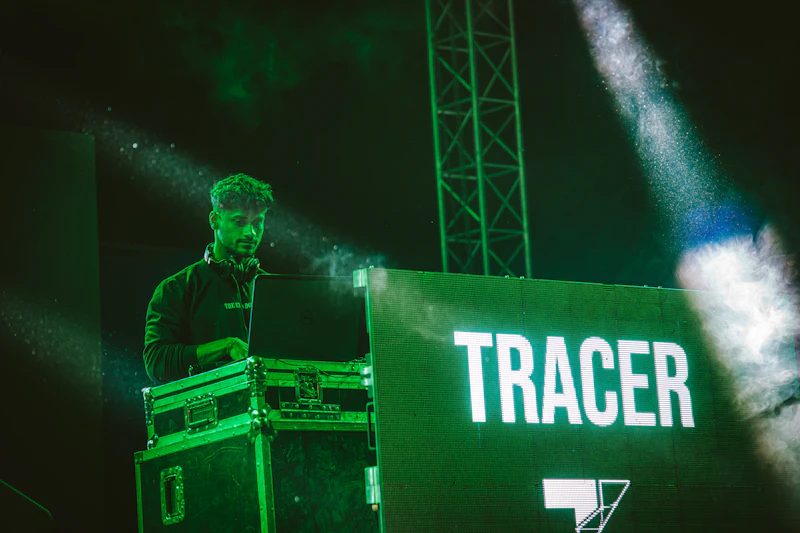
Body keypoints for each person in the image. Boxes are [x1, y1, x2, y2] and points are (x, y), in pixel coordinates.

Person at [143, 173, 275, 383]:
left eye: (257, 223)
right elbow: (157, 362)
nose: (251, 232)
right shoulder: (176, 288)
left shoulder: (273, 288)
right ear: (215, 220)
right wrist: (227, 346)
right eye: (239, 222)